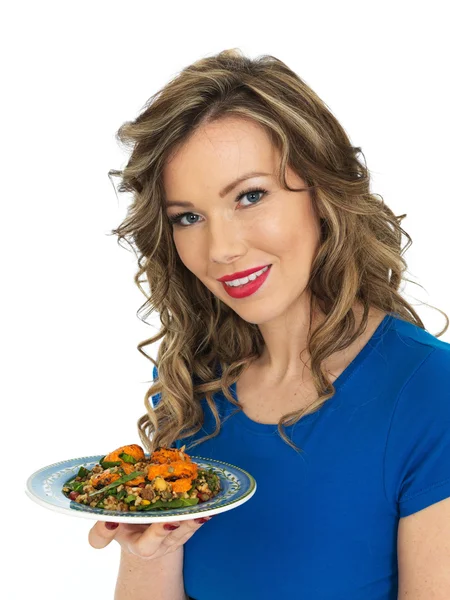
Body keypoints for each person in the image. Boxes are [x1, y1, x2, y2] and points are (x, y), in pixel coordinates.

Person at [88, 49, 450, 600]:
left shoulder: (429, 393)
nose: (222, 249)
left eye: (250, 196)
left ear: (323, 195)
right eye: (188, 217)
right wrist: (150, 548)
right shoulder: (193, 384)